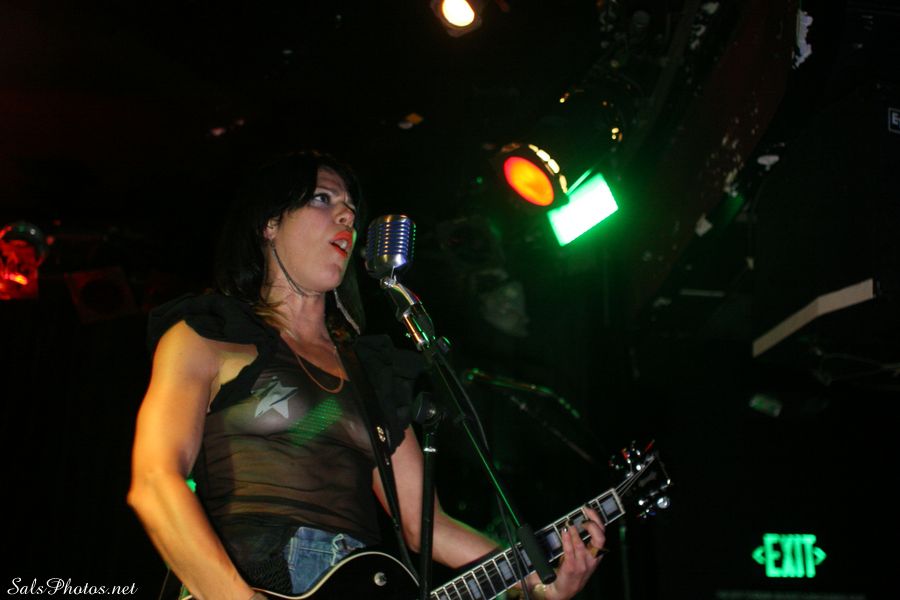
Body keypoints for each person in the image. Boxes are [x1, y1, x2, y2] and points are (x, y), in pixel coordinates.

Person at [127, 150, 606, 600]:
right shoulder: (210, 335)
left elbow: (427, 526)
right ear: (270, 223)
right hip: (251, 577)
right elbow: (155, 480)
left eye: (351, 208)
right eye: (323, 198)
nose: (347, 216)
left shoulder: (371, 372)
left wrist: (535, 579)